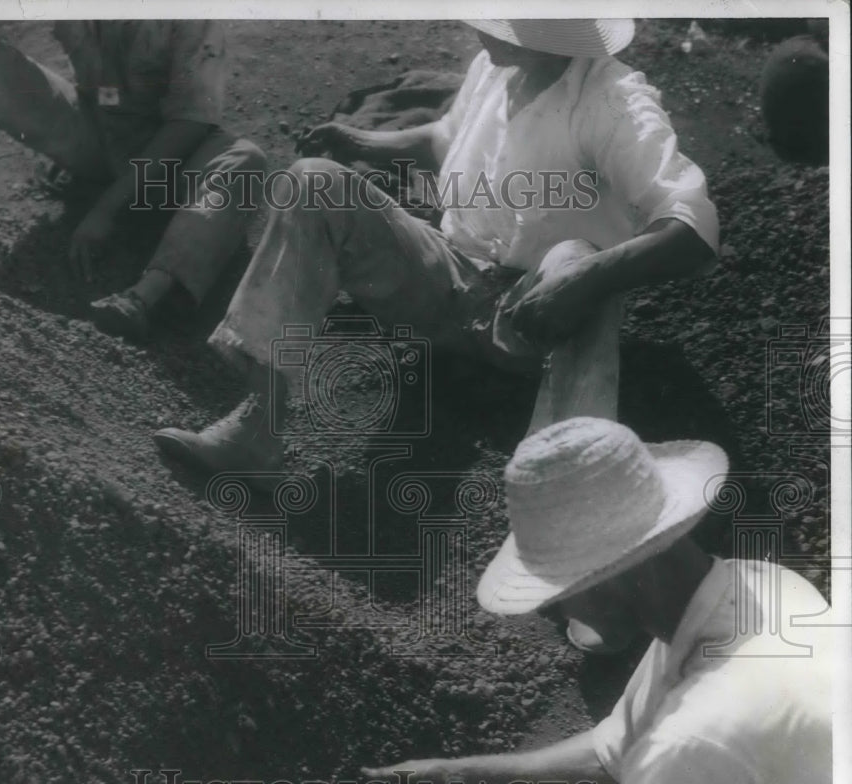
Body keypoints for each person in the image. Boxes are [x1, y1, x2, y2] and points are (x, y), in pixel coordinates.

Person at [348, 417, 833, 784]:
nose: (559, 610)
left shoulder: (705, 727)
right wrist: (459, 779)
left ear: (618, 576)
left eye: (565, 591)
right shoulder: (754, 587)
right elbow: (614, 757)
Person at [153, 19, 718, 481]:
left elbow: (692, 228)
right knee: (312, 179)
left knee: (574, 258)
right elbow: (444, 140)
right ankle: (258, 430)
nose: (480, 29)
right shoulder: (498, 68)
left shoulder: (616, 104)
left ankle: (571, 507)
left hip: (537, 323)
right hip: (446, 280)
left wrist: (587, 280)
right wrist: (362, 143)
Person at [0, 20, 266, 337]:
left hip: (171, 160)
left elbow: (189, 123)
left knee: (246, 161)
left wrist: (108, 207)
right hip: (96, 133)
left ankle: (145, 299)